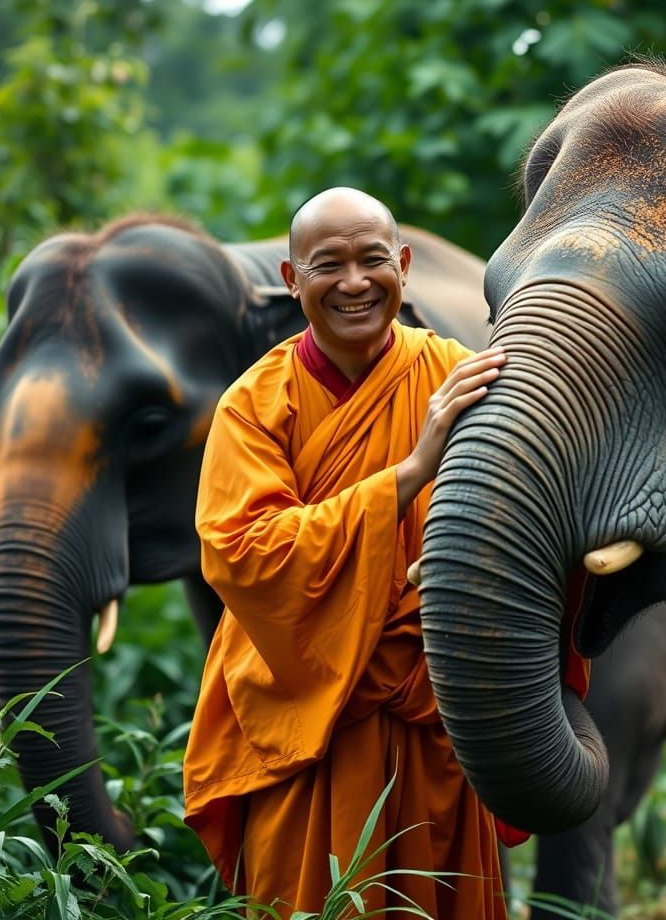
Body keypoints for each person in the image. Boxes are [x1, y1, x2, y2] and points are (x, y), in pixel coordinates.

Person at [182, 187, 509, 918]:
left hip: (434, 719)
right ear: (292, 279)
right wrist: (411, 472)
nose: (355, 283)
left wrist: (471, 569)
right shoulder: (254, 405)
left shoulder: (459, 376)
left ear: (405, 264)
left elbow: (526, 517)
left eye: (372, 260)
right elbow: (246, 555)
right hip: (307, 734)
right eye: (328, 265)